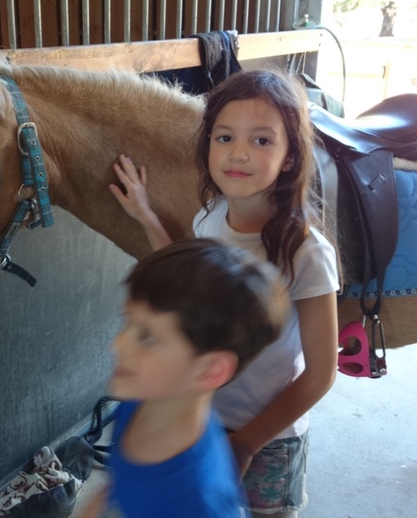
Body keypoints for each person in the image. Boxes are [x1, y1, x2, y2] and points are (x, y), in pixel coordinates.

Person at [109, 69, 339, 518]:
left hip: (270, 435)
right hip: (202, 413)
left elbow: (320, 374)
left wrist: (249, 442)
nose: (238, 154)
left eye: (262, 141)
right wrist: (144, 213)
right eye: (224, 137)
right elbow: (195, 282)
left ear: (291, 156)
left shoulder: (307, 253)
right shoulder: (211, 215)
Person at [78, 238, 288, 518]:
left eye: (147, 336)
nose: (117, 344)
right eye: (127, 320)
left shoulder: (200, 503)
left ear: (210, 370)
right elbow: (119, 486)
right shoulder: (139, 401)